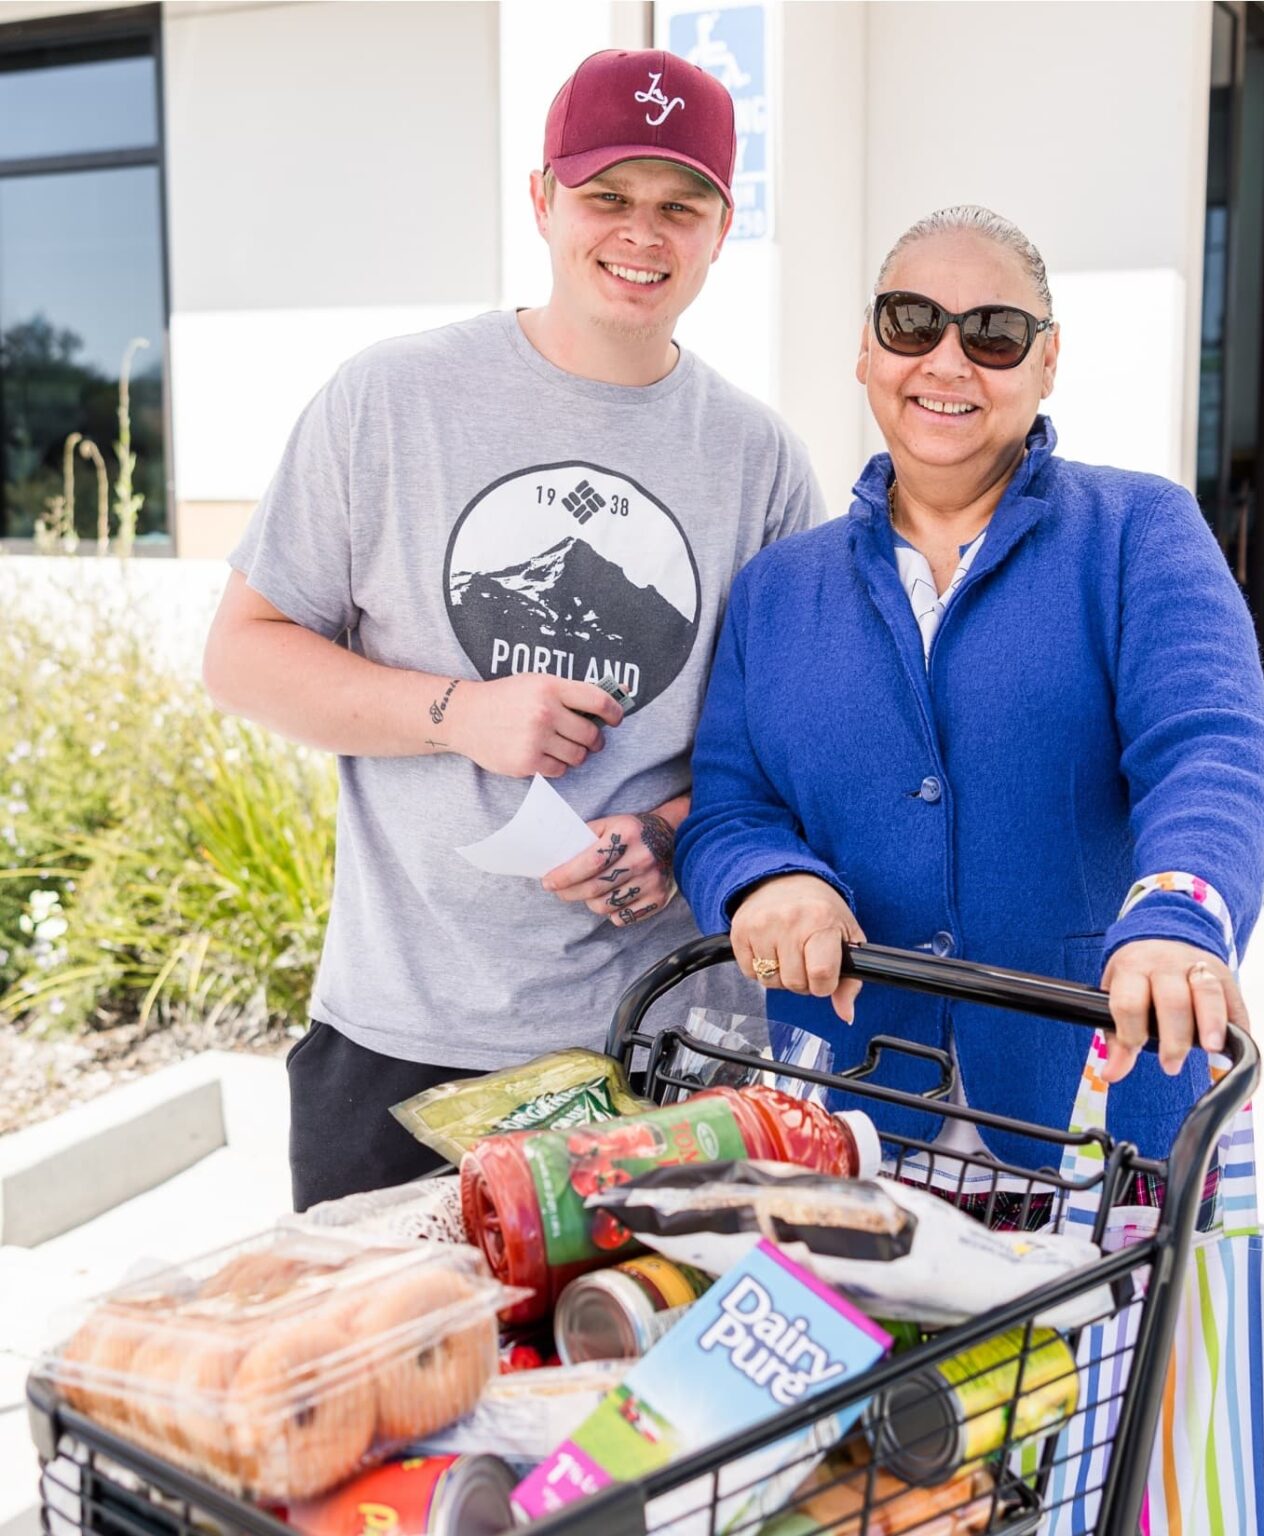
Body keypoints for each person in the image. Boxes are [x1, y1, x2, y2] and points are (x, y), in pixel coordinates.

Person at [202, 49, 824, 1211]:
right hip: (402, 1034)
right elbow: (241, 650)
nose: (642, 233)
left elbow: (801, 742)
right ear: (542, 199)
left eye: (679, 206)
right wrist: (454, 712)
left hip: (663, 1040)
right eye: (608, 198)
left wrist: (675, 833)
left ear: (720, 228)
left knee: (625, 1386)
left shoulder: (761, 461)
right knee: (389, 1379)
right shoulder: (389, 400)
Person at [675, 206, 1264, 1204]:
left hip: (1095, 1120)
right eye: (913, 322)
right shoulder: (779, 587)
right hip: (845, 1123)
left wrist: (1179, 914)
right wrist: (767, 881)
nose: (947, 361)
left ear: (1045, 365)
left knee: (1105, 1366)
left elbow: (1206, 750)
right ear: (866, 350)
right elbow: (732, 806)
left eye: (991, 334)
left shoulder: (1137, 532)